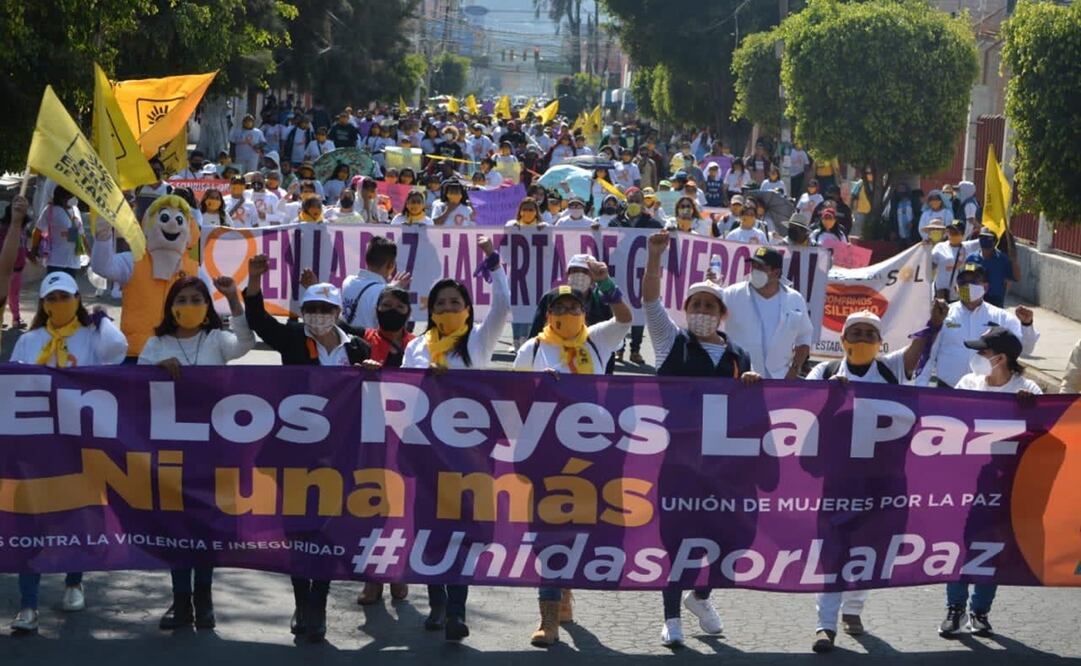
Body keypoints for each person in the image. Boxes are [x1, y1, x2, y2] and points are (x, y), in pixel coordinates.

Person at [243, 255, 374, 643]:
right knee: (297, 530)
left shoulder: (357, 347)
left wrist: (372, 372)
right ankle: (305, 605)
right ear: (303, 312)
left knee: (330, 529)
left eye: (324, 309)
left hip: (340, 455)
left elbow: (391, 378)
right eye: (311, 309)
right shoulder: (293, 338)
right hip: (293, 452)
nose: (317, 315)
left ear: (337, 311)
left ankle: (320, 599)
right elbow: (257, 320)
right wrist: (254, 278)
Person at [805, 306, 946, 653]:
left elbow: (915, 353)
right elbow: (800, 406)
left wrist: (935, 325)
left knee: (873, 545)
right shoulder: (823, 371)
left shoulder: (890, 368)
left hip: (884, 478)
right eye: (857, 333)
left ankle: (853, 610)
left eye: (871, 334)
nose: (863, 339)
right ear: (843, 340)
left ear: (880, 343)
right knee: (834, 550)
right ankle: (826, 625)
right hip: (838, 478)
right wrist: (827, 395)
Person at [642, 230, 759, 647]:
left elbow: (751, 411)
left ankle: (702, 597)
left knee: (736, 540)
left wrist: (751, 384)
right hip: (680, 464)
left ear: (722, 313)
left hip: (726, 467)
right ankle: (671, 617)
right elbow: (651, 301)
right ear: (686, 310)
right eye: (696, 305)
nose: (703, 311)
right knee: (679, 541)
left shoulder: (738, 356)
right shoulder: (671, 343)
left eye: (711, 306)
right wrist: (655, 257)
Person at [514, 267, 632, 648]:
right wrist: (538, 389)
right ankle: (548, 615)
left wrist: (606, 283)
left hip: (589, 454)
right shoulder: (531, 349)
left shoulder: (597, 341)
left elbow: (625, 318)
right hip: (544, 452)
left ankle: (564, 587)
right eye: (560, 307)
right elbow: (513, 402)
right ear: (548, 315)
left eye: (575, 306)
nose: (568, 312)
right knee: (547, 531)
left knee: (581, 526)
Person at [401, 235, 510, 642]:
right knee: (429, 528)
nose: (447, 308)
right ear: (430, 311)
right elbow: (402, 393)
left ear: (468, 309)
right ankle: (437, 604)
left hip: (470, 456)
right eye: (440, 303)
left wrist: (491, 262)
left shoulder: (479, 341)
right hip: (424, 451)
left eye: (454, 302)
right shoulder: (415, 347)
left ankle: (457, 611)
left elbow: (503, 306)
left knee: (463, 532)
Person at [9, 271, 127, 634]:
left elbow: (117, 351)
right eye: (51, 299)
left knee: (79, 514)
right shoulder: (30, 341)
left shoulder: (91, 335)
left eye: (65, 297)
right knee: (29, 520)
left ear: (77, 298)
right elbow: (12, 380)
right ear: (43, 305)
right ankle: (28, 605)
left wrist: (102, 318)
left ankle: (74, 582)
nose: (58, 304)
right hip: (36, 445)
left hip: (80, 442)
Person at [138, 275, 254, 630]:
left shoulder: (217, 340)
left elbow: (246, 343)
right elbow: (132, 389)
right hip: (170, 451)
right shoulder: (155, 344)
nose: (189, 305)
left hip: (212, 448)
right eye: (182, 299)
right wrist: (156, 371)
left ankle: (204, 598)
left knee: (204, 524)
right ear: (171, 307)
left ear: (206, 308)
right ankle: (180, 601)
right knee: (176, 525)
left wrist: (234, 298)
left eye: (196, 299)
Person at [939, 326, 1042, 638]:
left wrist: (1031, 411)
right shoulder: (968, 383)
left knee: (991, 548)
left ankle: (980, 611)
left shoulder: (1028, 389)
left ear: (1001, 358)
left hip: (1005, 485)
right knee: (961, 545)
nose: (976, 357)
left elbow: (1043, 435)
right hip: (967, 480)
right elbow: (947, 421)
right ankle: (954, 608)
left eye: (982, 352)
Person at [919, 262, 1039, 388]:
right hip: (947, 390)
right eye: (963, 282)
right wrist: (920, 386)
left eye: (974, 281)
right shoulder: (943, 315)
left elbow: (1027, 349)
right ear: (956, 288)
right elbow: (928, 353)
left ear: (985, 287)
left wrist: (1027, 324)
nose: (968, 286)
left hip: (985, 392)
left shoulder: (1000, 317)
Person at [721, 246, 813, 379]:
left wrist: (795, 369)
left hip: (779, 380)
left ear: (776, 273)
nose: (755, 271)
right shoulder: (731, 294)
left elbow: (804, 337)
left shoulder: (794, 299)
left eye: (761, 267)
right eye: (753, 266)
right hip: (741, 378)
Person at [341, 237, 409, 330]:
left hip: (346, 340)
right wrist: (394, 291)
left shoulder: (347, 281)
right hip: (369, 342)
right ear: (391, 265)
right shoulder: (384, 292)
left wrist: (389, 287)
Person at [30, 185, 86, 279]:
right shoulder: (50, 210)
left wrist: (90, 254)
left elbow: (81, 235)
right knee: (54, 289)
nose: (74, 197)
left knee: (69, 291)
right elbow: (38, 230)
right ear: (62, 197)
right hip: (55, 260)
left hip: (73, 261)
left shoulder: (76, 210)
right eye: (71, 195)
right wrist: (34, 249)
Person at [964, 229, 1019, 308]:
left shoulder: (1002, 260)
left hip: (995, 300)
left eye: (988, 238)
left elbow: (1016, 278)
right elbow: (965, 279)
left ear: (994, 242)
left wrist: (1014, 261)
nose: (984, 241)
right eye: (981, 237)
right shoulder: (971, 259)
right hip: (975, 300)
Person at [931, 221, 979, 301]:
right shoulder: (940, 246)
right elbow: (931, 265)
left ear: (963, 234)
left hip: (961, 292)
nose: (952, 234)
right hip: (942, 292)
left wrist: (980, 227)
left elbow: (985, 238)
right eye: (950, 232)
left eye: (955, 232)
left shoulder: (968, 247)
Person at [0, 198, 29, 329]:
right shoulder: (4, 230)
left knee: (14, 295)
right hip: (5, 269)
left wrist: (30, 256)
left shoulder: (22, 230)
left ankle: (16, 318)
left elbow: (23, 247)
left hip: (18, 268)